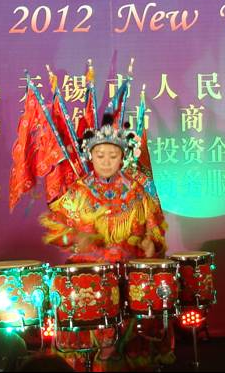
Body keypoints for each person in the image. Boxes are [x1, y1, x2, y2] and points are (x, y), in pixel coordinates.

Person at [39, 116, 171, 371]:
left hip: (128, 271)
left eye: (113, 155)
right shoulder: (78, 193)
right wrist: (78, 237)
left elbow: (155, 230)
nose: (107, 161)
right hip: (91, 273)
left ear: (122, 157)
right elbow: (57, 230)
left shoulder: (137, 191)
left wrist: (151, 244)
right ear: (91, 157)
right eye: (101, 155)